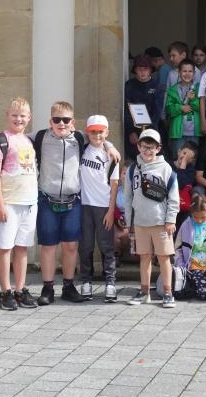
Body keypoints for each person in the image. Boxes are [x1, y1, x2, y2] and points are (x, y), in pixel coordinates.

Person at [35, 101, 119, 305]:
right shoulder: (40, 137)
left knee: (72, 245)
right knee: (49, 246)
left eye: (65, 120)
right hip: (47, 199)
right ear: (50, 121)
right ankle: (48, 288)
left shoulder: (80, 138)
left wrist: (110, 145)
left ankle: (68, 286)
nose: (61, 123)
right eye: (57, 120)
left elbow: (100, 137)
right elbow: (18, 137)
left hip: (73, 201)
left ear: (72, 122)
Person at [0, 97, 39, 310]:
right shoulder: (1, 140)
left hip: (29, 202)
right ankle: (5, 291)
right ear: (7, 115)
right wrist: (0, 203)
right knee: (4, 248)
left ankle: (20, 289)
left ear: (29, 117)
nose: (19, 119)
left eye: (23, 116)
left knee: (22, 248)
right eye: (15, 115)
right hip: (9, 202)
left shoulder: (28, 140)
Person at [124, 129, 180, 308]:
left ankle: (168, 292)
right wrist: (129, 222)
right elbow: (127, 198)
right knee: (144, 257)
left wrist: (171, 220)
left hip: (161, 222)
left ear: (158, 148)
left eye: (151, 147)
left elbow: (174, 197)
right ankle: (144, 291)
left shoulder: (166, 168)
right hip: (140, 222)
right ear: (138, 147)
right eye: (144, 146)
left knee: (164, 258)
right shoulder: (132, 169)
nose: (147, 151)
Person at [78, 115, 121, 303]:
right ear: (87, 132)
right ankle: (86, 281)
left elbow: (114, 185)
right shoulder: (81, 149)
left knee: (106, 246)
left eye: (101, 131)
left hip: (104, 207)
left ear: (107, 132)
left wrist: (111, 211)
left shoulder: (112, 156)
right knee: (85, 246)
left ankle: (110, 282)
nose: (97, 135)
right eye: (93, 131)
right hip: (84, 205)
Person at [174, 195, 206, 300]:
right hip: (194, 266)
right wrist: (181, 266)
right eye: (196, 217)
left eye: (203, 217)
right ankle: (199, 285)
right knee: (204, 294)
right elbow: (178, 248)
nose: (199, 220)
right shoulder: (186, 224)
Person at [124, 55, 163, 159]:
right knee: (134, 157)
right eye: (139, 69)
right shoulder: (129, 85)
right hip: (133, 131)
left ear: (150, 70)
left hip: (152, 129)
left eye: (145, 69)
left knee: (151, 157)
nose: (142, 72)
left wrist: (148, 131)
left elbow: (158, 111)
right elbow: (126, 110)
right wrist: (131, 131)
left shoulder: (157, 86)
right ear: (135, 70)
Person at [165, 59, 201, 158]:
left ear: (194, 73)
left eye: (190, 71)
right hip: (178, 132)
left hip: (194, 131)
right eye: (184, 71)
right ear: (179, 73)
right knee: (178, 159)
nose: (187, 74)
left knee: (192, 159)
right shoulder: (172, 89)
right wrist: (180, 108)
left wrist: (193, 99)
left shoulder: (199, 88)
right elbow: (168, 109)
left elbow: (202, 108)